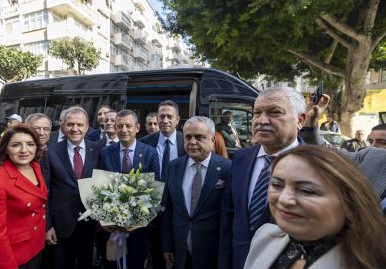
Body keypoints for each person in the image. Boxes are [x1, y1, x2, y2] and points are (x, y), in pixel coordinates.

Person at [244, 145, 386, 269]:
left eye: (307, 190)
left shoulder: (373, 261)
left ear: (350, 201)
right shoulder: (264, 236)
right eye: (277, 185)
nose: (284, 199)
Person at [219, 86, 307, 269]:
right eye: (257, 113)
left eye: (274, 112)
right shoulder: (240, 159)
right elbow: (229, 218)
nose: (262, 120)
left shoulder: (317, 167)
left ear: (300, 120)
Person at [162, 116, 231, 269]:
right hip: (180, 251)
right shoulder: (174, 167)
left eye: (199, 137)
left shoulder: (227, 169)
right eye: (188, 137)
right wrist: (167, 246)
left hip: (213, 253)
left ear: (212, 140)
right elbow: (168, 210)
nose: (192, 142)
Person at [99, 109, 160, 269]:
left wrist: (136, 220)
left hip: (139, 226)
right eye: (120, 126)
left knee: (136, 263)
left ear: (137, 128)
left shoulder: (150, 153)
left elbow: (154, 189)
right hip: (111, 225)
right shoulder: (106, 152)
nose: (124, 130)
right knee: (112, 264)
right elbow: (100, 187)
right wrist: (105, 219)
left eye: (128, 126)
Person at [0, 124, 48, 269]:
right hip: (15, 255)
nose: (24, 150)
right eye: (16, 145)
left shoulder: (35, 167)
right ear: (5, 148)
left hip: (36, 245)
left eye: (30, 144)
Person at [43, 106, 101, 269]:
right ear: (63, 125)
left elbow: (101, 185)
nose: (75, 129)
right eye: (70, 124)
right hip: (60, 223)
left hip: (89, 222)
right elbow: (45, 192)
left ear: (87, 126)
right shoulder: (51, 151)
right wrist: (48, 226)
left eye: (79, 125)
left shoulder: (96, 149)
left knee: (86, 264)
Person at [140, 100, 186, 269]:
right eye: (162, 116)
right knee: (157, 253)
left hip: (180, 207)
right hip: (153, 208)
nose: (165, 120)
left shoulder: (186, 141)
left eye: (169, 116)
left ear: (177, 119)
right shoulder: (144, 143)